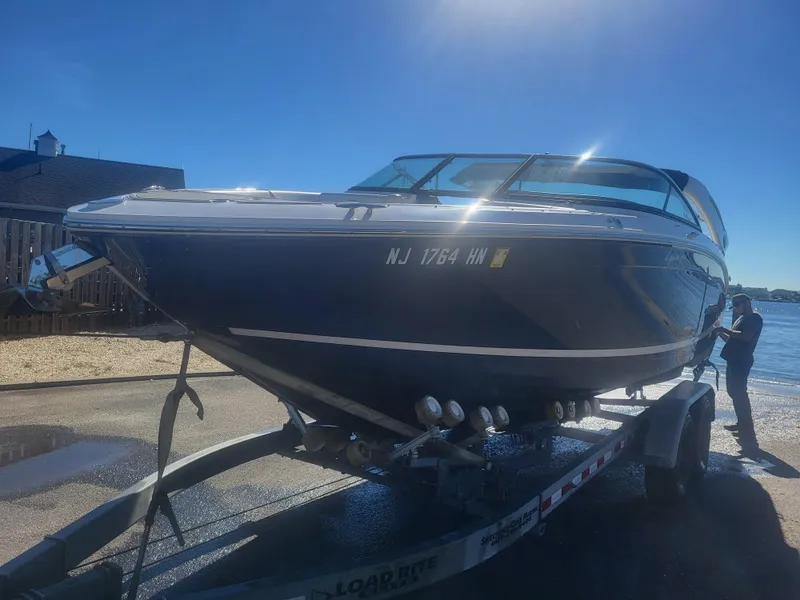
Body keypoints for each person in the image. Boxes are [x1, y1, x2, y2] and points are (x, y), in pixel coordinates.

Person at [716, 294, 763, 436]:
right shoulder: (741, 318)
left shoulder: (754, 318)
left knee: (739, 393)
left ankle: (746, 427)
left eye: (738, 305)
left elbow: (745, 337)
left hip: (742, 360)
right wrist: (718, 332)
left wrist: (724, 329)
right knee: (733, 392)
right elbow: (732, 339)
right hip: (734, 359)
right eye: (734, 306)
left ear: (747, 303)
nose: (736, 308)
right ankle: (742, 424)